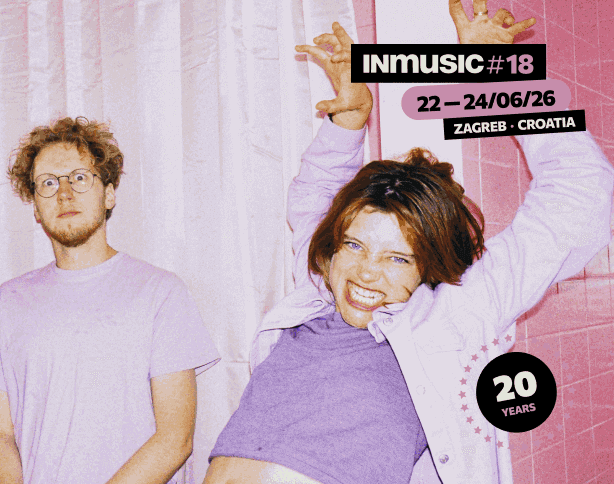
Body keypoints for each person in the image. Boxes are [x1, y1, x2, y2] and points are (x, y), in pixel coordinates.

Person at [204, 3, 608, 483]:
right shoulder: (320, 282)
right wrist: (351, 117)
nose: (365, 272)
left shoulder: (457, 312)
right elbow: (313, 193)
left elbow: (580, 194)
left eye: (397, 258)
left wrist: (503, 77)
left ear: (429, 265)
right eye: (355, 245)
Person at [0, 117, 221, 483]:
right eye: (48, 182)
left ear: (109, 193)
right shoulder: (8, 302)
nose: (64, 193)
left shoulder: (161, 292)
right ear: (35, 207)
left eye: (80, 178)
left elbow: (175, 438)